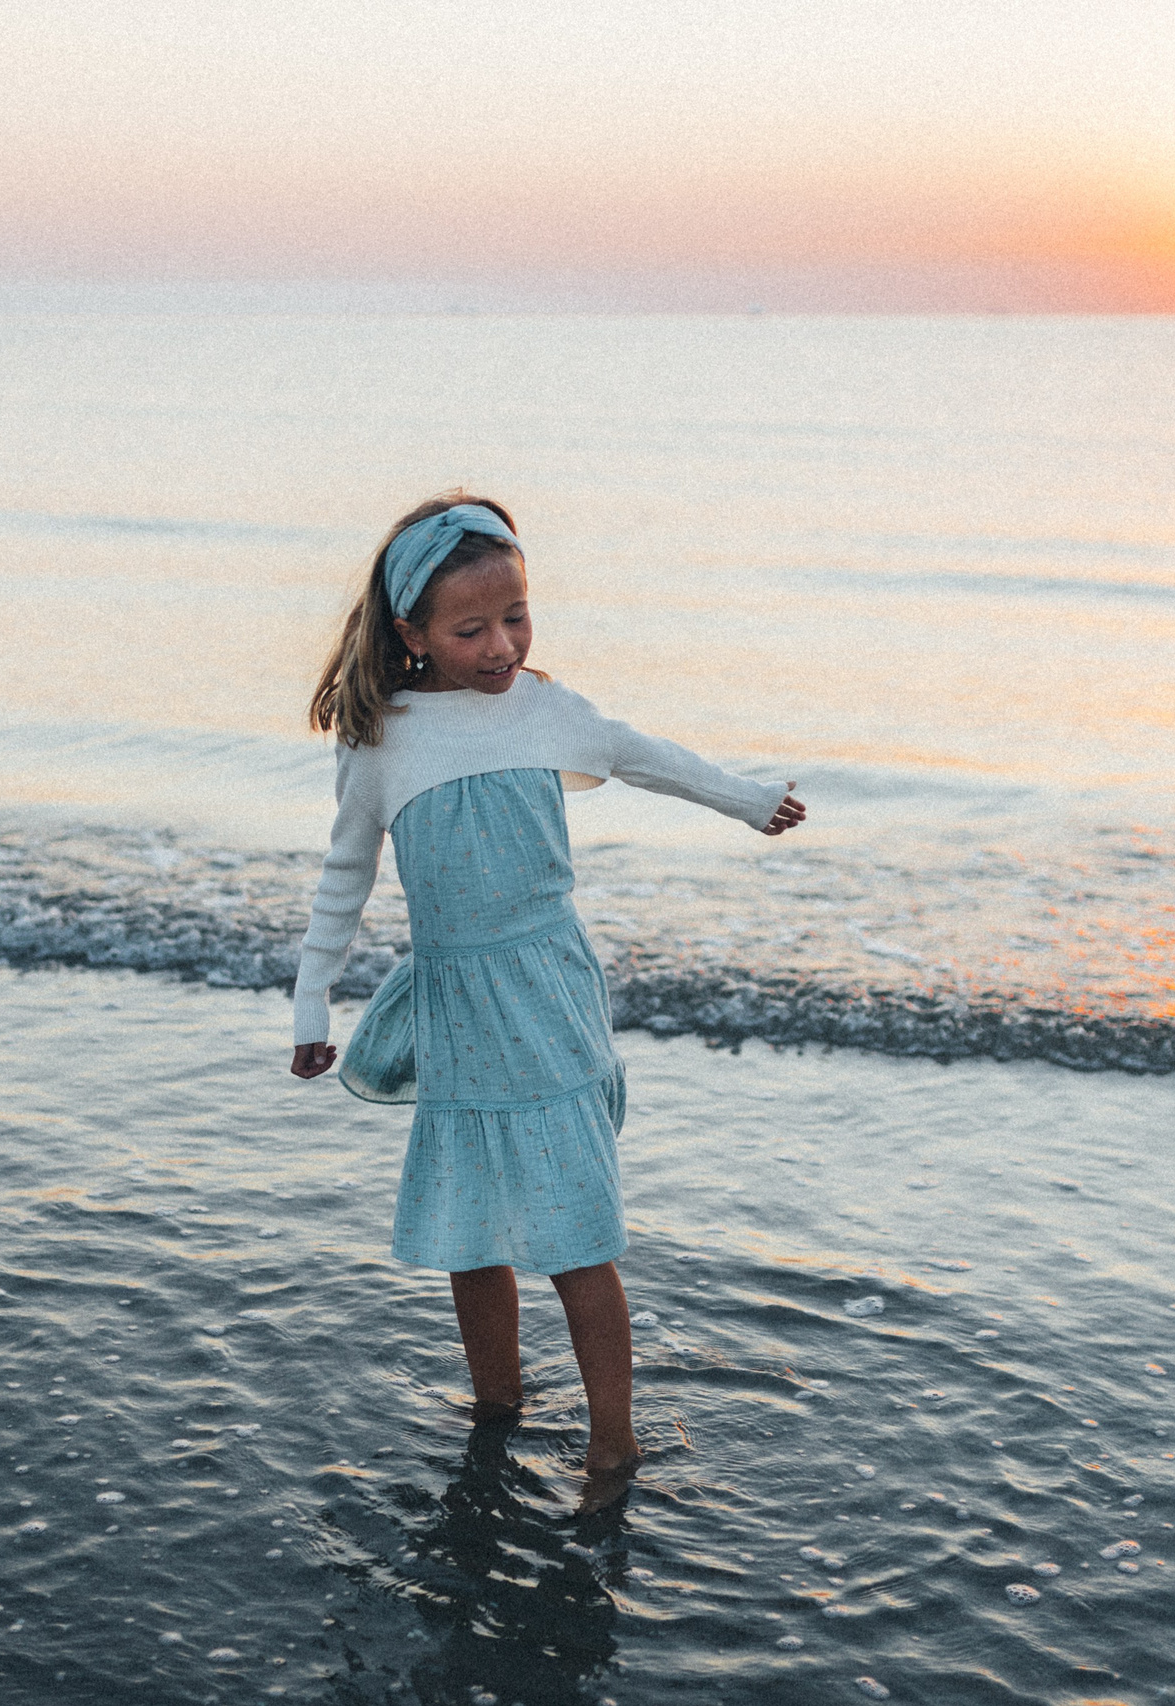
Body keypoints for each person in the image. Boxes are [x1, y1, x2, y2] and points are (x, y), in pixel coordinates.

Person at [289, 492, 806, 1507]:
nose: (501, 644)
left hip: (550, 994)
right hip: (459, 1008)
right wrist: (313, 1006)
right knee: (470, 1227)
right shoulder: (382, 742)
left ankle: (611, 1444)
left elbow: (648, 756)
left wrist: (750, 801)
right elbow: (341, 882)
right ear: (412, 635)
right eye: (470, 628)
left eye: (516, 617)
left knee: (578, 1230)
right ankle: (496, 1406)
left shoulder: (549, 710)